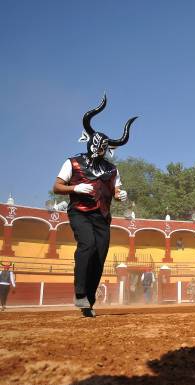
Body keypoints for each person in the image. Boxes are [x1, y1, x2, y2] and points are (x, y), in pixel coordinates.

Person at [52, 94, 137, 317]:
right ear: (88, 141)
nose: (98, 150)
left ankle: (88, 302)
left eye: (102, 148)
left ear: (107, 149)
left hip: (102, 217)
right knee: (87, 245)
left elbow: (116, 190)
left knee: (99, 257)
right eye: (96, 145)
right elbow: (57, 186)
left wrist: (120, 195)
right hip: (80, 212)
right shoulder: (72, 162)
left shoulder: (112, 170)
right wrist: (75, 189)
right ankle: (79, 293)